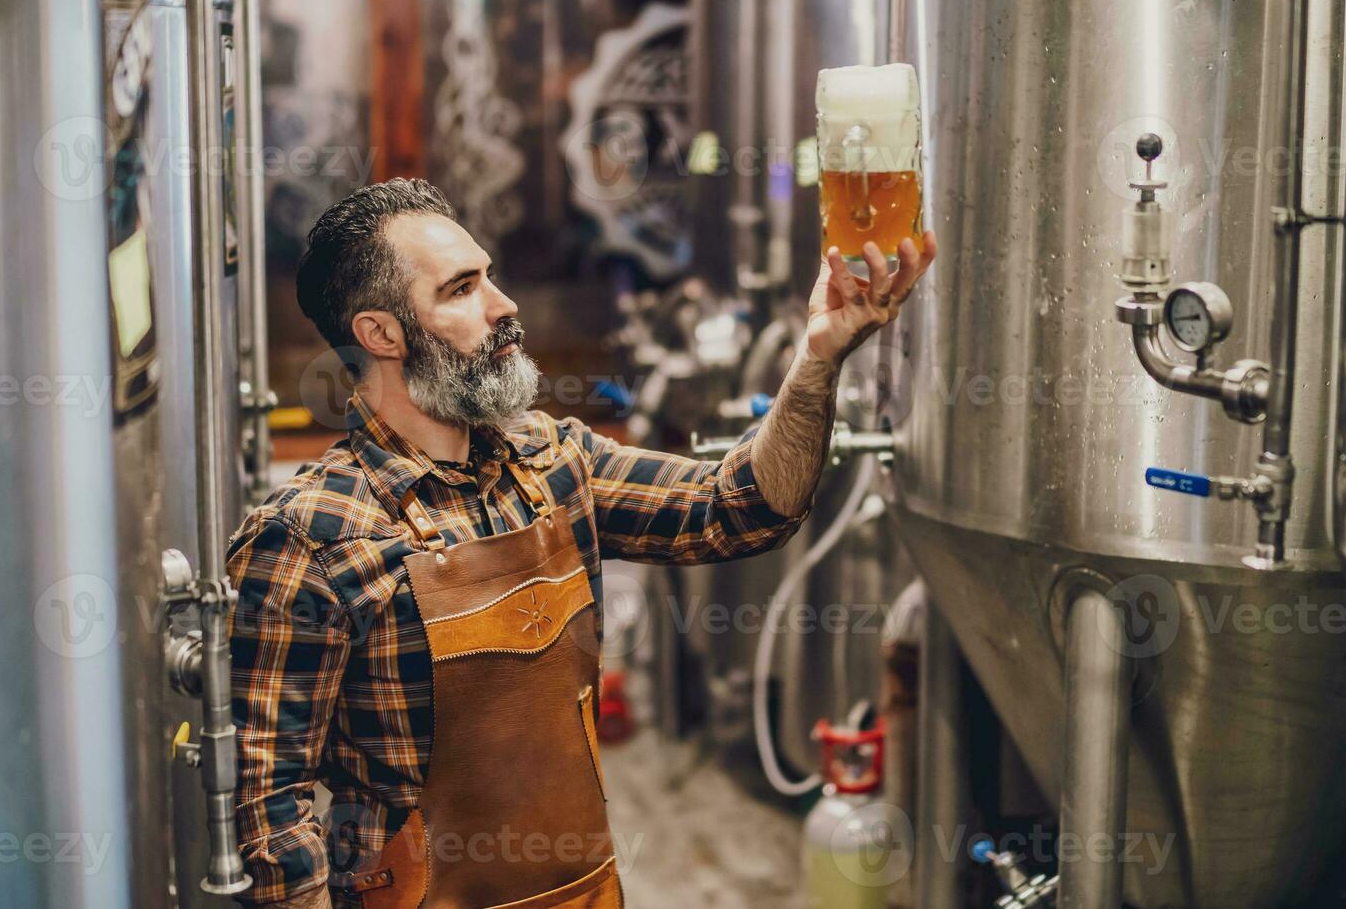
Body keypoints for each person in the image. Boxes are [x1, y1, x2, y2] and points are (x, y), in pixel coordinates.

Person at [226, 178, 936, 908]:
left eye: (490, 277)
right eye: (463, 289)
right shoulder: (309, 536)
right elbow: (269, 818)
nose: (504, 306)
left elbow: (742, 509)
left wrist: (818, 357)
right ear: (381, 334)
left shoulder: (553, 461)